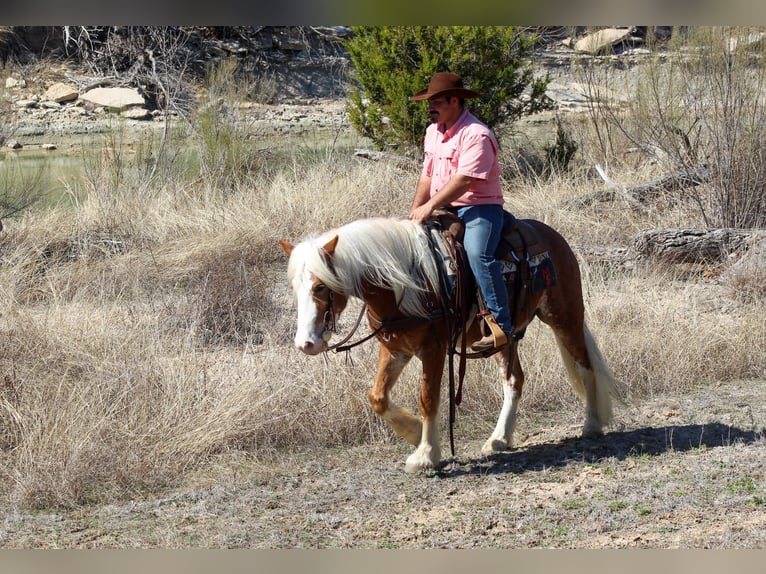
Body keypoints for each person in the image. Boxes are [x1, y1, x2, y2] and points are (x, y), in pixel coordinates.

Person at [408, 72, 513, 351]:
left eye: (437, 102)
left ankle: (501, 325)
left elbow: (464, 180)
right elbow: (427, 175)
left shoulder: (476, 134)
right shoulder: (433, 131)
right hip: (444, 207)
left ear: (455, 101)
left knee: (479, 253)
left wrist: (430, 207)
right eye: (429, 103)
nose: (431, 108)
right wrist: (416, 210)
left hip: (480, 208)